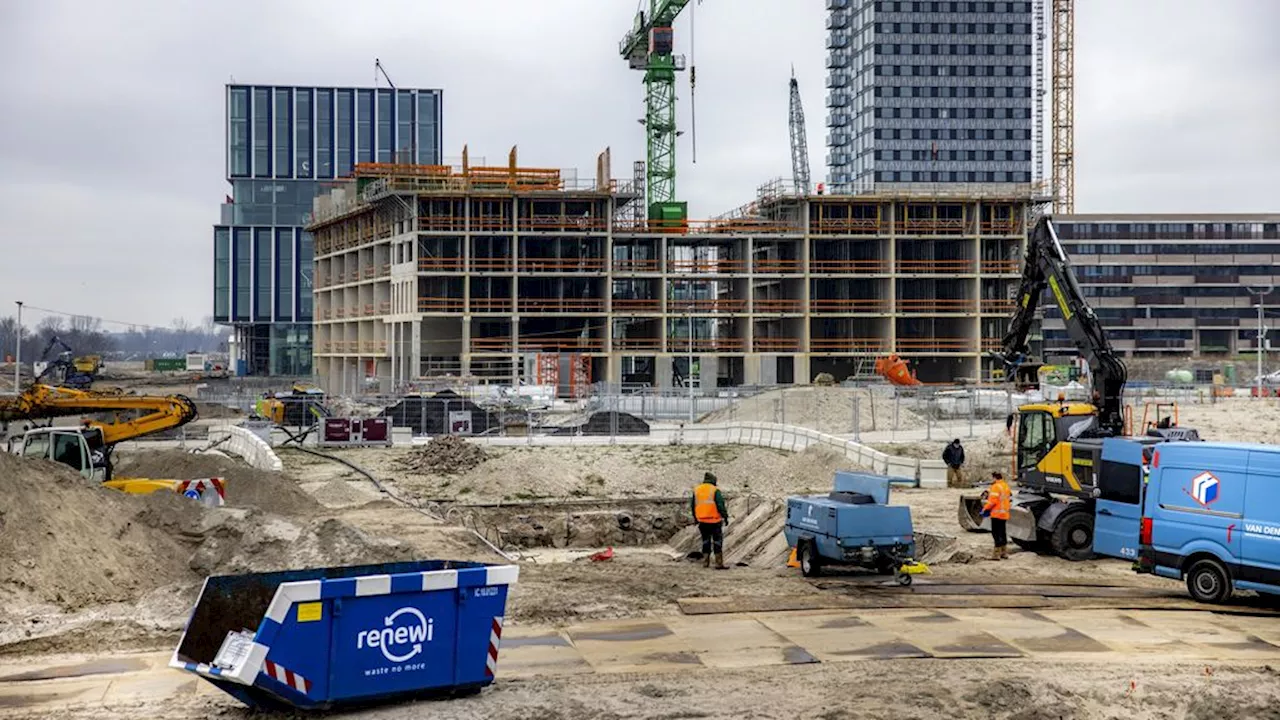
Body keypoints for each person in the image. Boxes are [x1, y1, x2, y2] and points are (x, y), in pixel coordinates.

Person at [691, 471, 729, 569]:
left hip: (702, 521)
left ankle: (705, 562)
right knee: (717, 541)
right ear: (713, 480)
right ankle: (718, 563)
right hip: (714, 520)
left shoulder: (697, 490)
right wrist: (725, 516)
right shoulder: (714, 490)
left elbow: (693, 506)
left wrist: (695, 518)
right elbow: (720, 505)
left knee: (705, 541)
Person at [982, 471, 1012, 560]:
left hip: (996, 514)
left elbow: (993, 501)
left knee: (996, 533)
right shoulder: (1005, 486)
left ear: (994, 477)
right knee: (1003, 532)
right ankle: (1004, 552)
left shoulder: (995, 487)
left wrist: (985, 509)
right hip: (1004, 513)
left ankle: (996, 554)